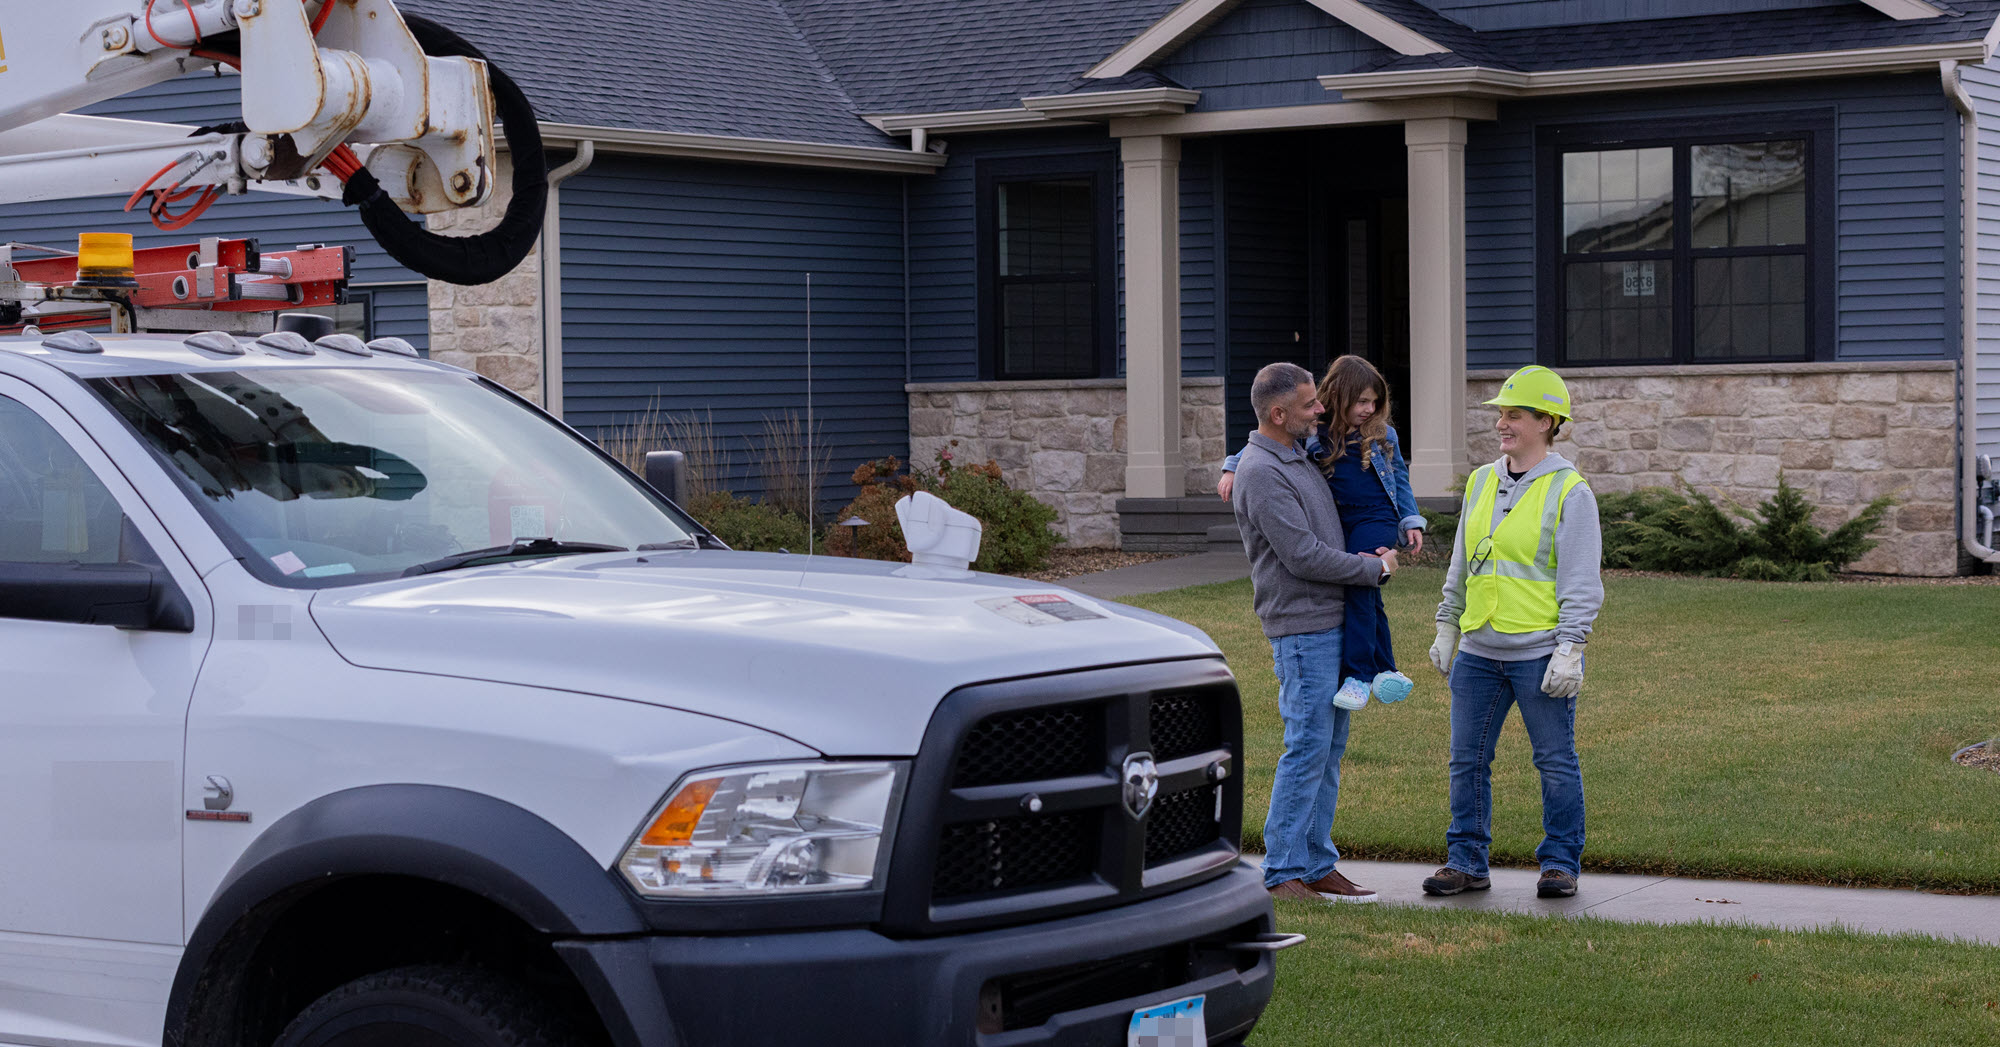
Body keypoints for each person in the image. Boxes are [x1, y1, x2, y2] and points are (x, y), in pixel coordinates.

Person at [1423, 365, 1604, 900]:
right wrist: (1446, 623)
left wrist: (1570, 647)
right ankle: (1466, 860)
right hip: (1478, 649)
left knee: (1554, 760)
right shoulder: (1481, 480)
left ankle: (1559, 863)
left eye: (1514, 414)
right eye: (1501, 413)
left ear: (1547, 422)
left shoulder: (1571, 492)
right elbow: (1462, 562)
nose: (1502, 423)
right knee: (1467, 760)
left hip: (1540, 653)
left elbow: (1579, 578)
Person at [1229, 361, 1397, 904]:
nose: (1321, 409)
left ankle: (1317, 862)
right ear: (1279, 414)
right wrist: (1374, 570)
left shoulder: (1295, 454)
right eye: (1309, 405)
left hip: (1334, 621)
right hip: (1302, 629)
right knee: (1306, 748)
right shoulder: (1262, 472)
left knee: (1329, 749)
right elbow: (1301, 556)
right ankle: (1281, 872)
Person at [1219, 355, 1426, 711]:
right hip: (1343, 529)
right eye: (1361, 401)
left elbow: (1400, 481)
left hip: (1374, 519)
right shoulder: (1315, 435)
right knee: (1366, 588)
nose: (1369, 408)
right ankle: (1376, 671)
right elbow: (1265, 441)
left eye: (1374, 402)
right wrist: (1232, 465)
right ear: (1341, 397)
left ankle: (1367, 672)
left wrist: (1410, 519)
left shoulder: (1380, 433)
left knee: (1363, 588)